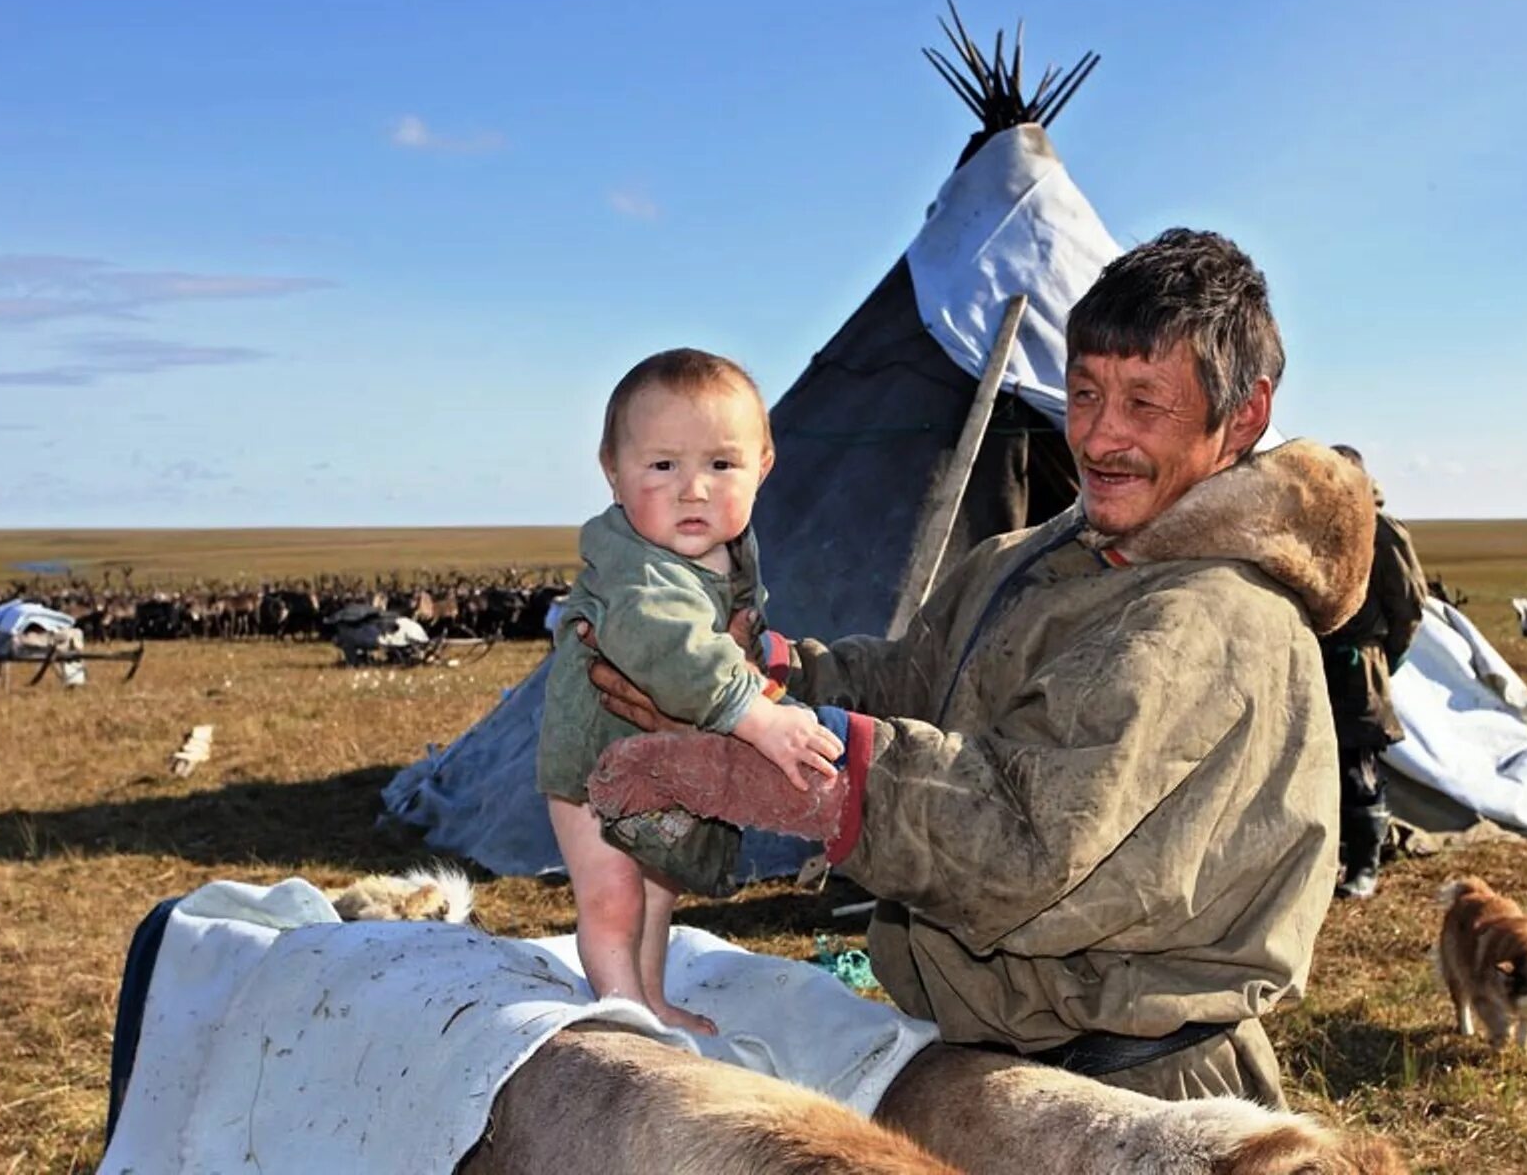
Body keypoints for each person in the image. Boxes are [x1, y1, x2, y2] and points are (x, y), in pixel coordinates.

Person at [581, 229, 1377, 1105]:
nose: (1100, 437)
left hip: (1140, 1098)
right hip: (998, 1069)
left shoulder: (1216, 619)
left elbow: (1028, 834)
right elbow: (911, 686)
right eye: (1083, 394)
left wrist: (784, 775)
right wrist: (754, 679)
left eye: (1145, 405)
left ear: (1246, 415)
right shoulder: (1028, 558)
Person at [537, 347, 844, 1036]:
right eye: (663, 465)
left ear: (762, 467)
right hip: (592, 770)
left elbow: (729, 634)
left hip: (652, 763)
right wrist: (758, 717)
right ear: (612, 472)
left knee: (654, 888)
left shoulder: (723, 553)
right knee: (614, 897)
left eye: (721, 465)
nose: (694, 489)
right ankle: (627, 1022)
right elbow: (674, 648)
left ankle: (649, 994)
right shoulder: (636, 572)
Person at [1321, 445, 1428, 900]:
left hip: (1359, 664)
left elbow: (1409, 607)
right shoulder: (1316, 528)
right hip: (1314, 660)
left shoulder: (1382, 532)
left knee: (1358, 769)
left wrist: (1386, 661)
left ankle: (1365, 867)